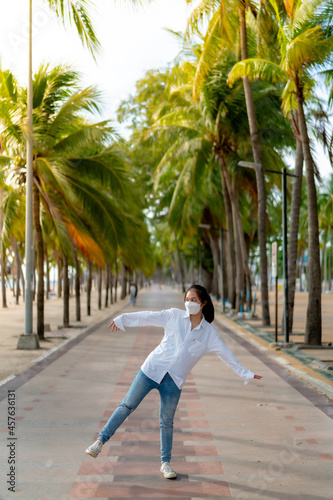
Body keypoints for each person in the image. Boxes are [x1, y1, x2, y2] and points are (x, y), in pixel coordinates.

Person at [85, 284, 262, 479]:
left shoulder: (209, 333)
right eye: (187, 299)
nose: (189, 303)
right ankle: (99, 442)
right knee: (126, 406)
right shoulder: (174, 315)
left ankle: (165, 464)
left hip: (174, 381)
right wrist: (122, 319)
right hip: (151, 369)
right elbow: (148, 316)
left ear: (203, 303)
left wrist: (245, 373)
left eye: (194, 300)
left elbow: (226, 354)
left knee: (166, 422)